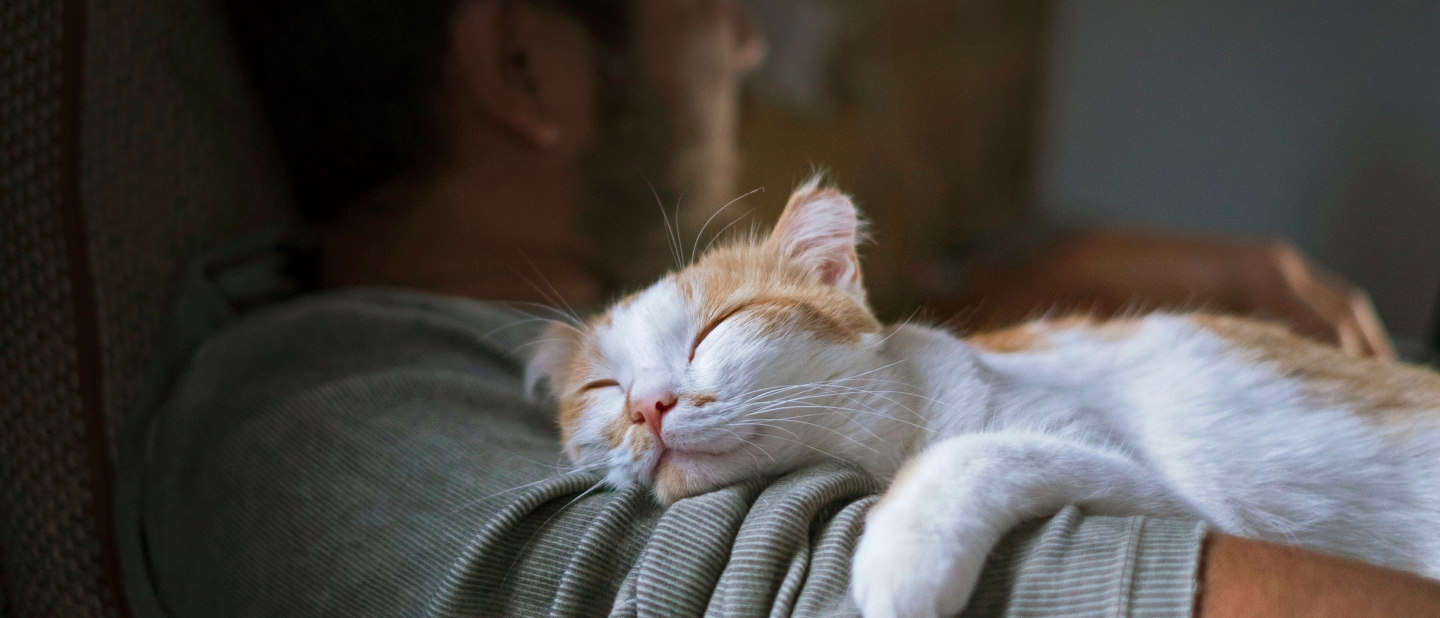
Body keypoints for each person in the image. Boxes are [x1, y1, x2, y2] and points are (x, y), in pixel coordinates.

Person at [112, 0, 1437, 616]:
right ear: (525, 60)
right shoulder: (318, 424)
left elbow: (841, 361)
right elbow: (834, 590)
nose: (747, 43)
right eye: (713, 8)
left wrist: (1029, 285)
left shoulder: (561, 340)